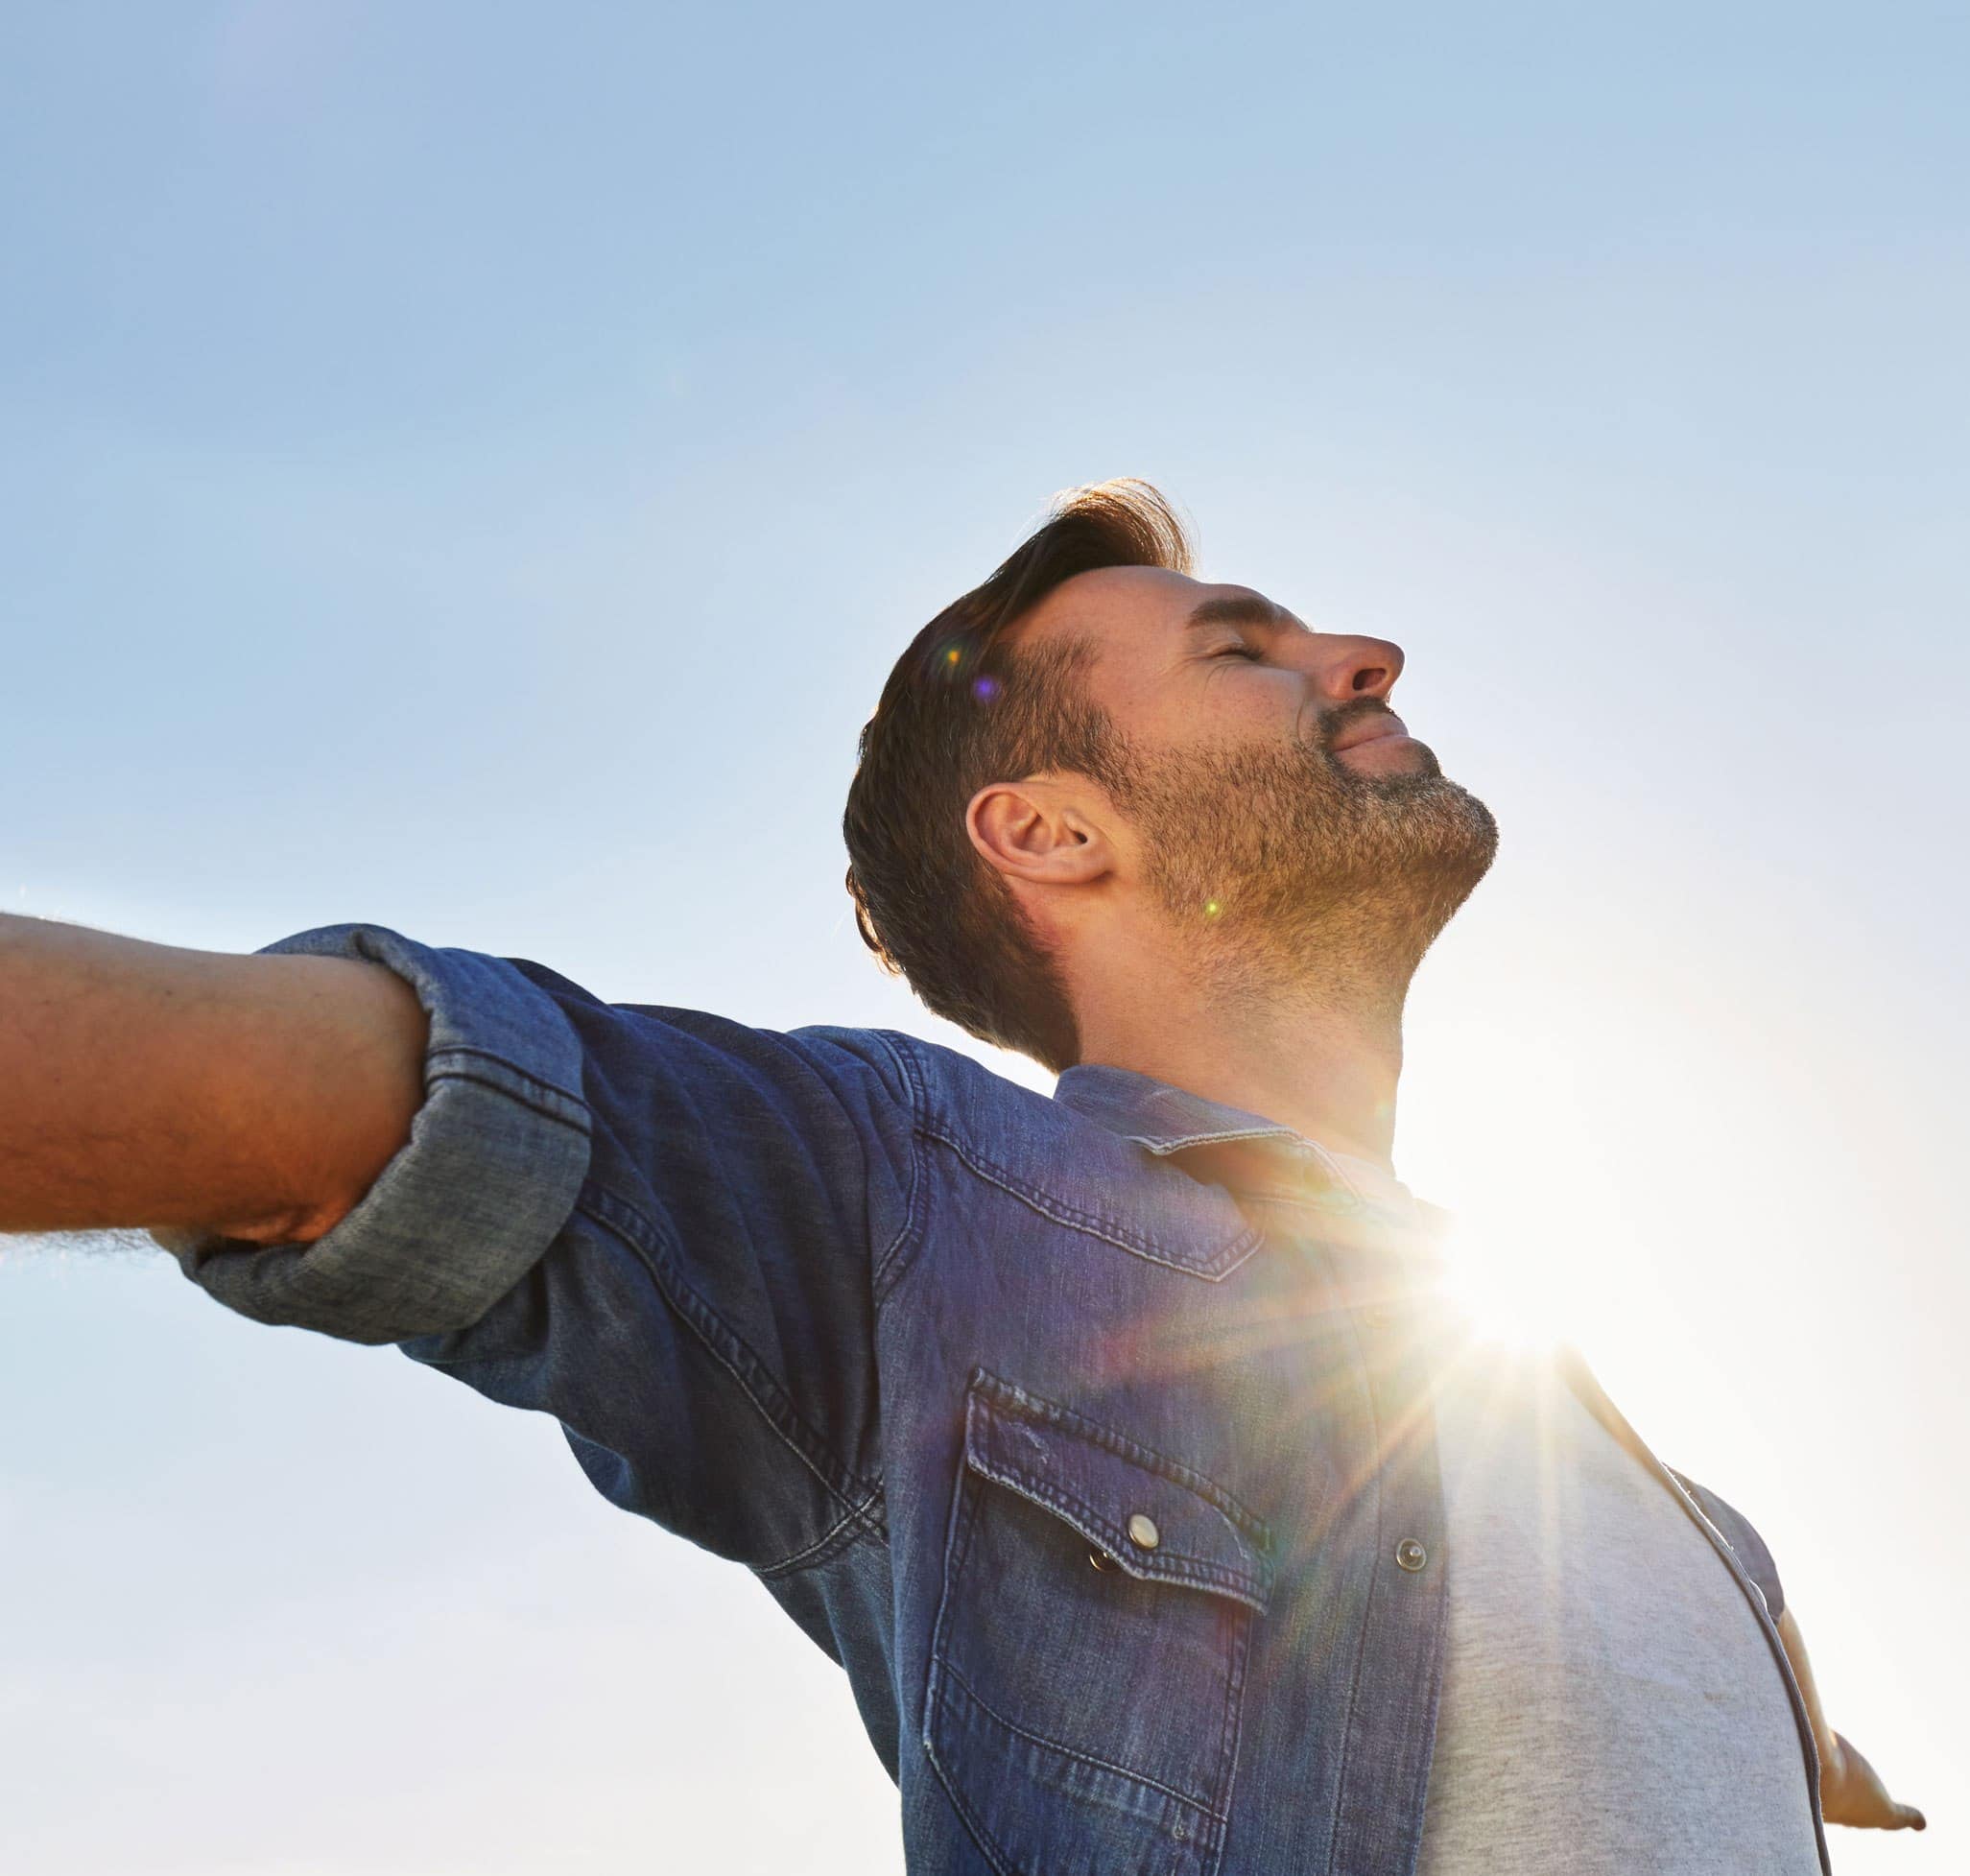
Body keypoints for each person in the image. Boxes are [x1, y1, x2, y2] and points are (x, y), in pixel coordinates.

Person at [4, 481, 1924, 1873]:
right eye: (1243, 645)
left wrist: (1785, 1715)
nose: (1360, 651)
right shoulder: (925, 1205)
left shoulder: (1674, 1514)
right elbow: (337, 1109)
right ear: (1051, 828)